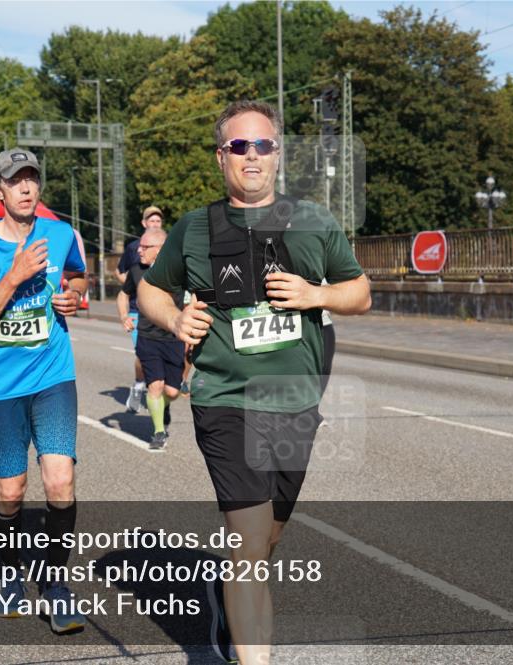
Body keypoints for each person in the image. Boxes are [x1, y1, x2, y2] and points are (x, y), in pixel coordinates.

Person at [137, 100, 371, 664]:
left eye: (262, 145)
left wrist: (316, 294)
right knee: (246, 546)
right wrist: (173, 318)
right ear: (222, 158)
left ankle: (225, 603)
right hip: (224, 401)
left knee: (266, 541)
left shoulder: (313, 221)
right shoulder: (194, 228)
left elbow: (360, 293)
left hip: (294, 400)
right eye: (239, 146)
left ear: (277, 154)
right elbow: (151, 289)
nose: (252, 156)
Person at [0, 148, 88, 634]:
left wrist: (73, 295)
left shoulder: (60, 233)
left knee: (59, 482)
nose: (27, 188)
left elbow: (77, 274)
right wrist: (14, 276)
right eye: (16, 180)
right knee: (10, 492)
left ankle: (54, 584)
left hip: (52, 375)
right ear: (0, 191)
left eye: (32, 178)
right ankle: (8, 570)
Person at [118, 227, 184, 450]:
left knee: (172, 392)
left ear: (161, 249)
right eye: (139, 246)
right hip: (147, 336)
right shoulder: (136, 270)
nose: (139, 251)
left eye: (146, 247)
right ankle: (158, 432)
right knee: (154, 386)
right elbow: (123, 293)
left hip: (174, 337)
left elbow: (194, 294)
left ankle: (163, 407)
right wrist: (124, 315)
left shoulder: (179, 269)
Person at [115, 206, 164, 413]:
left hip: (164, 312)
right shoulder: (134, 248)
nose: (154, 224)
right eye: (150, 221)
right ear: (143, 223)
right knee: (143, 353)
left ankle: (160, 387)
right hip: (138, 310)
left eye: (158, 221)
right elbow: (120, 272)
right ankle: (138, 385)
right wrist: (135, 285)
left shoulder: (167, 248)